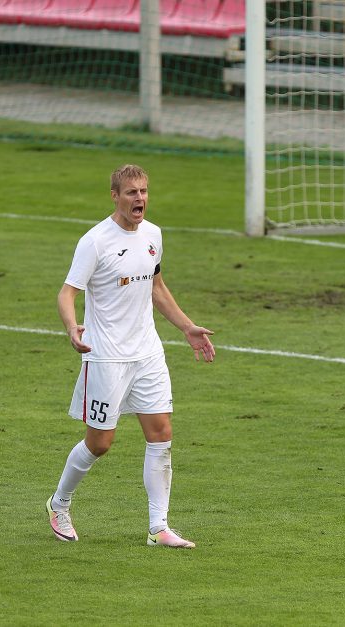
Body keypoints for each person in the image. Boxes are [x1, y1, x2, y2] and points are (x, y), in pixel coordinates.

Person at [46, 164, 215, 549]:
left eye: (144, 192)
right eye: (132, 193)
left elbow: (156, 286)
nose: (140, 199)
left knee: (161, 435)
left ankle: (159, 527)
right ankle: (59, 504)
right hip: (106, 356)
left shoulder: (153, 234)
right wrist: (73, 328)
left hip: (148, 352)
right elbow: (67, 292)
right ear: (115, 196)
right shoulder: (95, 241)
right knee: (100, 443)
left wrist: (186, 326)